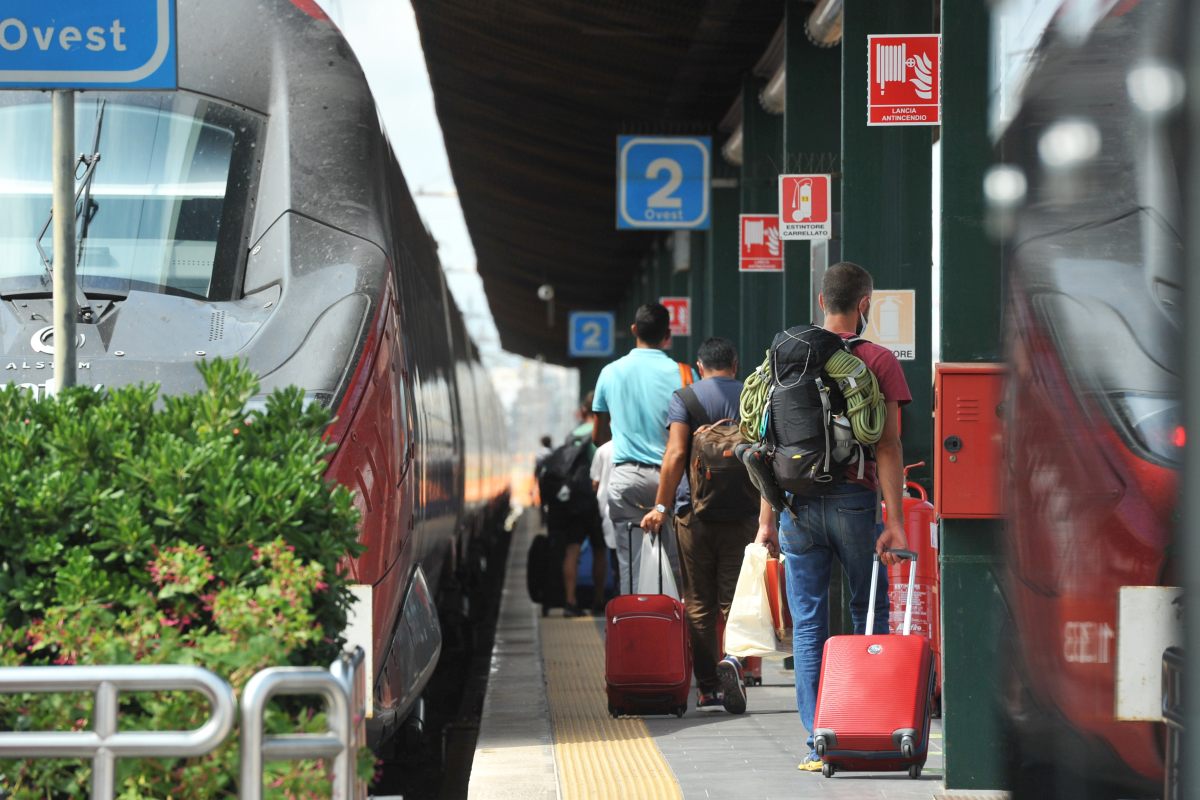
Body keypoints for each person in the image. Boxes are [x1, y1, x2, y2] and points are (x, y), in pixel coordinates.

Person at [752, 261, 911, 772]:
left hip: (796, 504)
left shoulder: (784, 359)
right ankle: (868, 726)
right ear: (864, 305)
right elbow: (887, 446)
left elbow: (766, 447)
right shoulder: (879, 359)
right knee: (870, 613)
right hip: (853, 500)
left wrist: (768, 520)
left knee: (808, 624)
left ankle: (816, 739)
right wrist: (897, 521)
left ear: (822, 303)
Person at [640, 337, 758, 714]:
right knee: (734, 600)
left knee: (698, 603)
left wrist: (661, 504)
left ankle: (708, 687)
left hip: (695, 514)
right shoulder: (750, 396)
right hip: (742, 513)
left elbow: (675, 453)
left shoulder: (686, 398)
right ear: (735, 365)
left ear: (699, 366)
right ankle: (734, 664)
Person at [592, 302, 691, 594]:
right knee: (674, 568)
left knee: (631, 567)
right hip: (671, 481)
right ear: (667, 335)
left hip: (626, 480)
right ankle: (671, 629)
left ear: (634, 330)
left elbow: (599, 436)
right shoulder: (683, 374)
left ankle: (633, 631)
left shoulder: (609, 372)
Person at [553, 396, 608, 617]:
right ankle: (598, 599)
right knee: (599, 551)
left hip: (573, 502)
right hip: (593, 501)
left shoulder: (571, 435)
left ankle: (570, 600)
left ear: (582, 410)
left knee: (572, 549)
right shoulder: (599, 435)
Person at [590, 438, 618, 593]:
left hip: (607, 509)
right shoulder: (638, 444)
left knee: (614, 554)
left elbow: (595, 482)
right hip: (636, 508)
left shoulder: (603, 450)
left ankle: (616, 594)